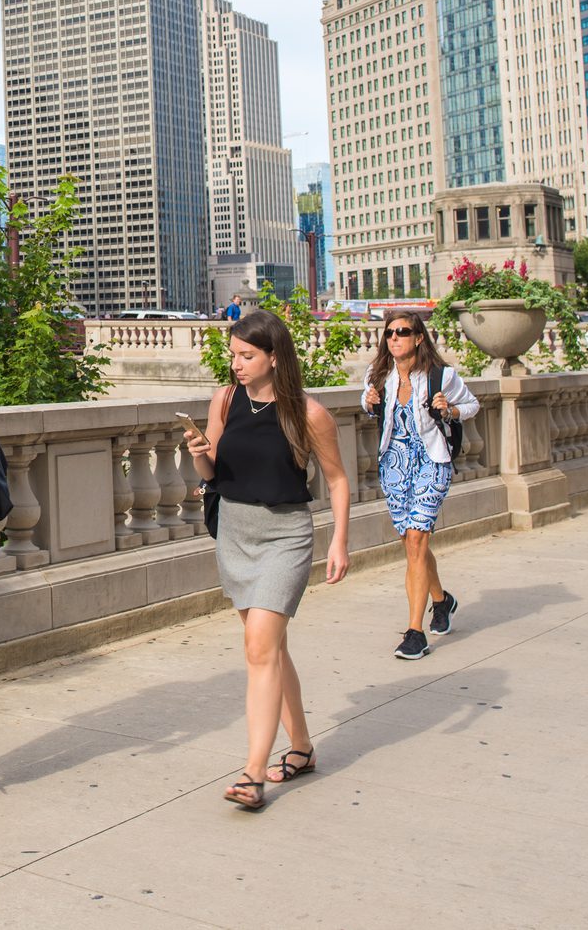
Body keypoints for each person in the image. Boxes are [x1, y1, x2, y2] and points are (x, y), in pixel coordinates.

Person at [186, 309, 352, 810]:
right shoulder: (225, 400)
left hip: (285, 535)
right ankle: (300, 747)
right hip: (235, 531)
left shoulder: (308, 413)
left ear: (274, 357)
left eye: (246, 355)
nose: (235, 364)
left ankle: (253, 773)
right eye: (233, 354)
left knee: (259, 649)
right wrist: (198, 450)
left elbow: (339, 480)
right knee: (271, 650)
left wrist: (340, 542)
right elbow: (213, 470)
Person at [361, 310, 479, 658]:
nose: (394, 338)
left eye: (402, 332)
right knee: (414, 545)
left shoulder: (442, 376)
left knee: (416, 538)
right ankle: (442, 600)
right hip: (394, 465)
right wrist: (368, 403)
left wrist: (450, 410)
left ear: (418, 338)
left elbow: (471, 404)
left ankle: (415, 633)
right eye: (389, 333)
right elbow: (371, 408)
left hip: (432, 461)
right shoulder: (378, 374)